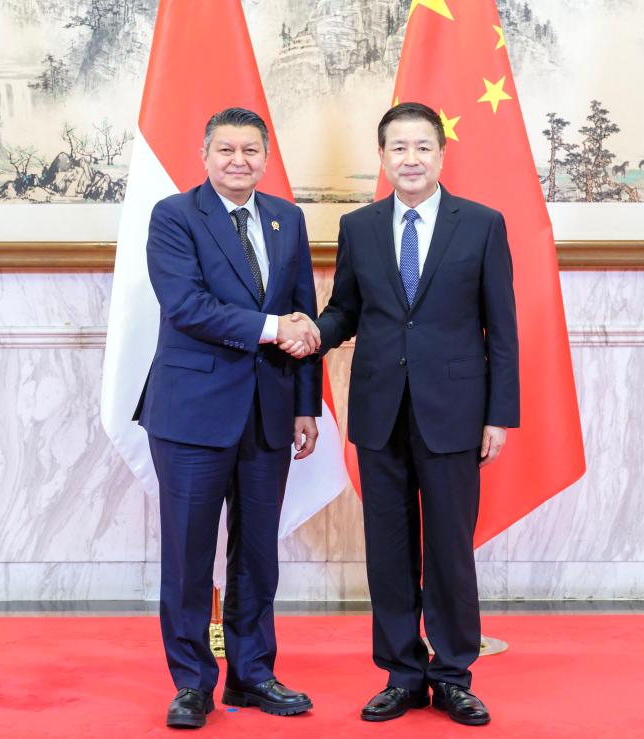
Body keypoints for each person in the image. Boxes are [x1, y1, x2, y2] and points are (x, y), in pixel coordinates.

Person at [293, 101, 520, 726]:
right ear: (383, 157)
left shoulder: (482, 224)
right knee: (389, 551)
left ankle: (452, 676)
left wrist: (498, 415)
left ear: (441, 155)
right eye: (399, 147)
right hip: (380, 411)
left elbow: (501, 327)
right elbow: (346, 310)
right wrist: (312, 333)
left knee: (450, 549)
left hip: (455, 412)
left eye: (423, 147)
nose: (411, 158)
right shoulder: (360, 227)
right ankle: (401, 675)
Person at [134, 107, 322, 729]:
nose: (238, 160)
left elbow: (303, 317)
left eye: (250, 150)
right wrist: (272, 328)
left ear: (266, 158)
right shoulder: (174, 216)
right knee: (189, 554)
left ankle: (253, 674)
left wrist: (305, 404)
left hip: (269, 413)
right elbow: (186, 306)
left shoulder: (287, 219)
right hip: (192, 414)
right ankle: (192, 684)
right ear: (205, 155)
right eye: (226, 150)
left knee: (258, 554)